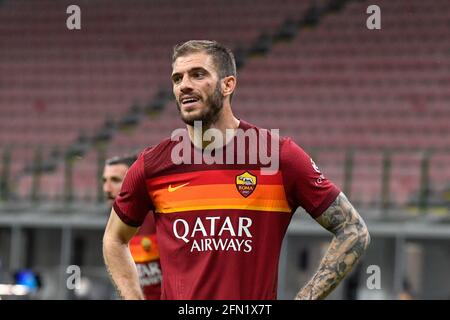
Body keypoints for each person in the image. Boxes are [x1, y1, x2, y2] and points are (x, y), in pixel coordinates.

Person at [102, 40, 370, 300]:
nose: (184, 85)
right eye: (177, 78)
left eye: (197, 75)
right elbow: (114, 239)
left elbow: (353, 230)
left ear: (228, 84)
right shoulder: (152, 166)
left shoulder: (278, 157)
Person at [102, 155, 162, 300]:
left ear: (134, 181)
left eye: (115, 180)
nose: (107, 188)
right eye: (104, 180)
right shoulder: (113, 223)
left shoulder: (159, 217)